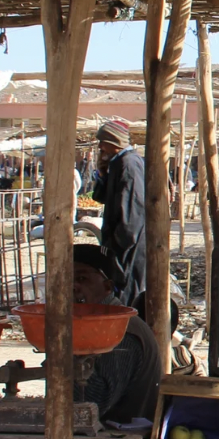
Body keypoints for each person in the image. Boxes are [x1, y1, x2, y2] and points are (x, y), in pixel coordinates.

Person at [73, 244, 161, 425]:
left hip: (120, 436)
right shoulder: (92, 324)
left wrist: (63, 356)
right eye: (63, 279)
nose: (72, 287)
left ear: (108, 286)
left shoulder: (120, 330)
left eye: (82, 278)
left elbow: (94, 404)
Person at [93, 119, 147, 311]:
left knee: (127, 294)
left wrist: (119, 245)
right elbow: (100, 197)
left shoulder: (129, 164)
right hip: (120, 244)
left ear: (113, 141)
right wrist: (102, 173)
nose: (100, 147)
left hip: (128, 246)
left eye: (102, 142)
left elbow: (132, 211)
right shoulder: (118, 163)